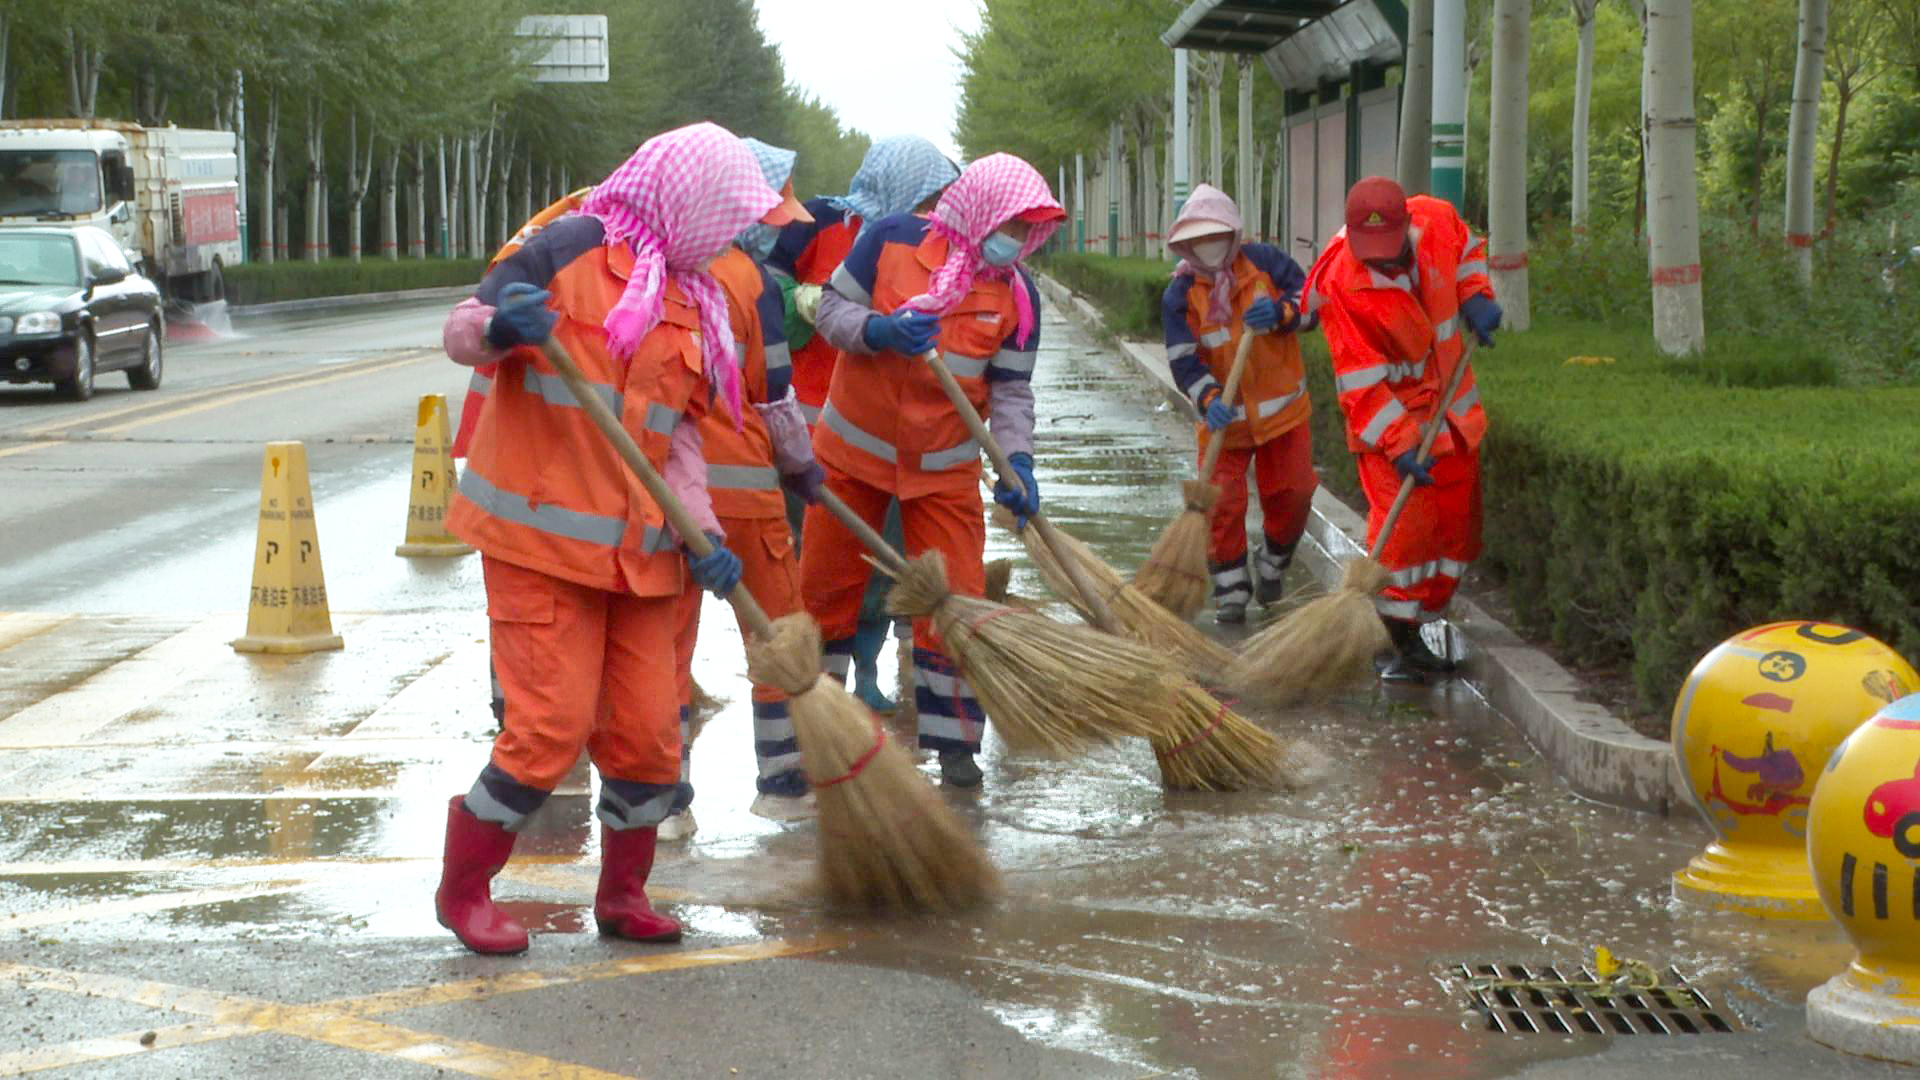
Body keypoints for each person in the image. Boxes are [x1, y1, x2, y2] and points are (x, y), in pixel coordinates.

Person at [432, 122, 793, 955]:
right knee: (550, 728)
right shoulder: (566, 248)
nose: (735, 234)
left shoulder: (694, 296)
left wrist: (703, 532)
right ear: (686, 199)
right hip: (540, 545)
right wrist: (499, 330)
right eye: (726, 214)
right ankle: (464, 891)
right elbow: (460, 332)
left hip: (644, 556)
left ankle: (623, 894)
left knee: (647, 734)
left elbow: (683, 440)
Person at [802, 153, 1064, 788]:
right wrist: (881, 330)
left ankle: (956, 751)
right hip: (851, 461)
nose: (1017, 241)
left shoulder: (1016, 295)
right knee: (824, 597)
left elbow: (1011, 394)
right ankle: (818, 738)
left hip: (943, 473)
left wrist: (1018, 461)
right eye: (1012, 225)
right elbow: (830, 311)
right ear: (977, 211)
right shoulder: (890, 240)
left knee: (955, 606)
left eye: (1030, 230)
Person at [765, 136, 959, 714]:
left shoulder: (933, 242)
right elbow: (764, 276)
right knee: (825, 565)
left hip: (896, 432)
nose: (933, 207)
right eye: (928, 195)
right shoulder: (823, 220)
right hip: (813, 418)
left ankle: (869, 672)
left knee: (887, 562)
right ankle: (823, 683)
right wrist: (800, 298)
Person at [664, 136, 824, 832]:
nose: (772, 224)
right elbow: (774, 394)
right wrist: (802, 463)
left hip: (663, 494)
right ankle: (783, 784)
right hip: (745, 491)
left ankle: (666, 802)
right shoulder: (751, 280)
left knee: (661, 644)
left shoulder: (649, 267)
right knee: (777, 631)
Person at [1305, 176, 1500, 685]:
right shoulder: (1341, 284)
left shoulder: (1437, 220)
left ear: (1407, 226)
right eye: (1370, 253)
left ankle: (1424, 614)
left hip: (1451, 410)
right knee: (1404, 532)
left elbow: (1470, 254)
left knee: (1458, 526)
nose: (1381, 262)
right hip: (1390, 422)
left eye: (1389, 251)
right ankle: (1399, 638)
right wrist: (1398, 446)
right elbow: (1360, 383)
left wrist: (1476, 294)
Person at [1160, 183, 1317, 624]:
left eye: (1216, 236)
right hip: (1223, 423)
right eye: (1198, 239)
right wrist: (1208, 398)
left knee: (1294, 491)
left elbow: (1312, 306)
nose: (1208, 247)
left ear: (1234, 234)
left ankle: (1273, 561)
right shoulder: (1180, 295)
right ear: (1184, 243)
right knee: (1222, 505)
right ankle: (1231, 589)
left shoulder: (1266, 264)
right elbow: (1183, 360)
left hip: (1283, 415)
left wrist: (1284, 315)